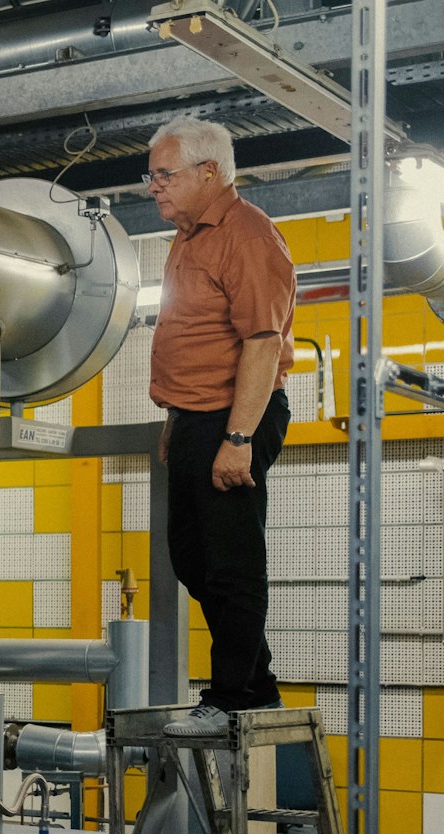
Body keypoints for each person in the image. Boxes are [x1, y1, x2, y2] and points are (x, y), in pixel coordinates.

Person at [146, 117, 297, 738]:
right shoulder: (188, 235)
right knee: (191, 559)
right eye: (151, 175)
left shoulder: (247, 233)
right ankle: (254, 683)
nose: (152, 186)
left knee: (231, 562)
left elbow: (262, 343)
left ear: (210, 173)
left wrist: (237, 439)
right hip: (195, 419)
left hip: (235, 417)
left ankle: (235, 697)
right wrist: (175, 421)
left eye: (164, 174)